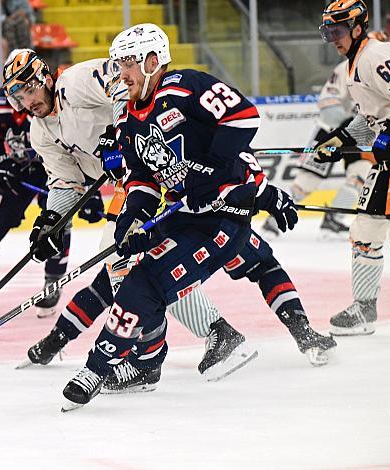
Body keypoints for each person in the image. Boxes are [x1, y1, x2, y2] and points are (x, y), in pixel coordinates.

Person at [51, 22, 332, 410]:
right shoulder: (131, 120)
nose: (121, 72)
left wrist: (219, 174)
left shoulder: (184, 86)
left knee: (147, 280)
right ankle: (298, 330)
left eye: (128, 63)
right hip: (192, 214)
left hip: (223, 214)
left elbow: (243, 116)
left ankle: (99, 368)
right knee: (256, 262)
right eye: (118, 64)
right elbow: (143, 181)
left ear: (153, 60)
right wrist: (130, 220)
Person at [3, 49, 266, 386]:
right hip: (129, 185)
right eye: (18, 97)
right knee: (125, 266)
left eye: (29, 91)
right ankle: (205, 335)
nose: (27, 103)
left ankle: (155, 356)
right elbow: (65, 181)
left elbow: (121, 83)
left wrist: (118, 134)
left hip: (155, 172)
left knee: (127, 266)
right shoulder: (39, 132)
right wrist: (49, 222)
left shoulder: (75, 81)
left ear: (43, 79)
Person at [0, 85, 103, 316]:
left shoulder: (55, 101)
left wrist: (90, 192)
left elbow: (78, 146)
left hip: (56, 169)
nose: (25, 100)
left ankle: (52, 283)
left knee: (56, 223)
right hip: (18, 171)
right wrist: (1, 165)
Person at [313, 0, 390, 340]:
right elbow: (371, 119)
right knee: (364, 228)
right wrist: (340, 140)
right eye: (327, 32)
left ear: (356, 27)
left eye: (337, 31)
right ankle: (364, 309)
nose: (333, 39)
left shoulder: (376, 55)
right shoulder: (354, 65)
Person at [261, 31, 389, 240]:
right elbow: (329, 108)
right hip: (331, 132)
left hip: (358, 132)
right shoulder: (348, 69)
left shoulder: (378, 70)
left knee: (360, 175)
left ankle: (334, 219)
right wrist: (350, 127)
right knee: (306, 183)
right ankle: (273, 220)